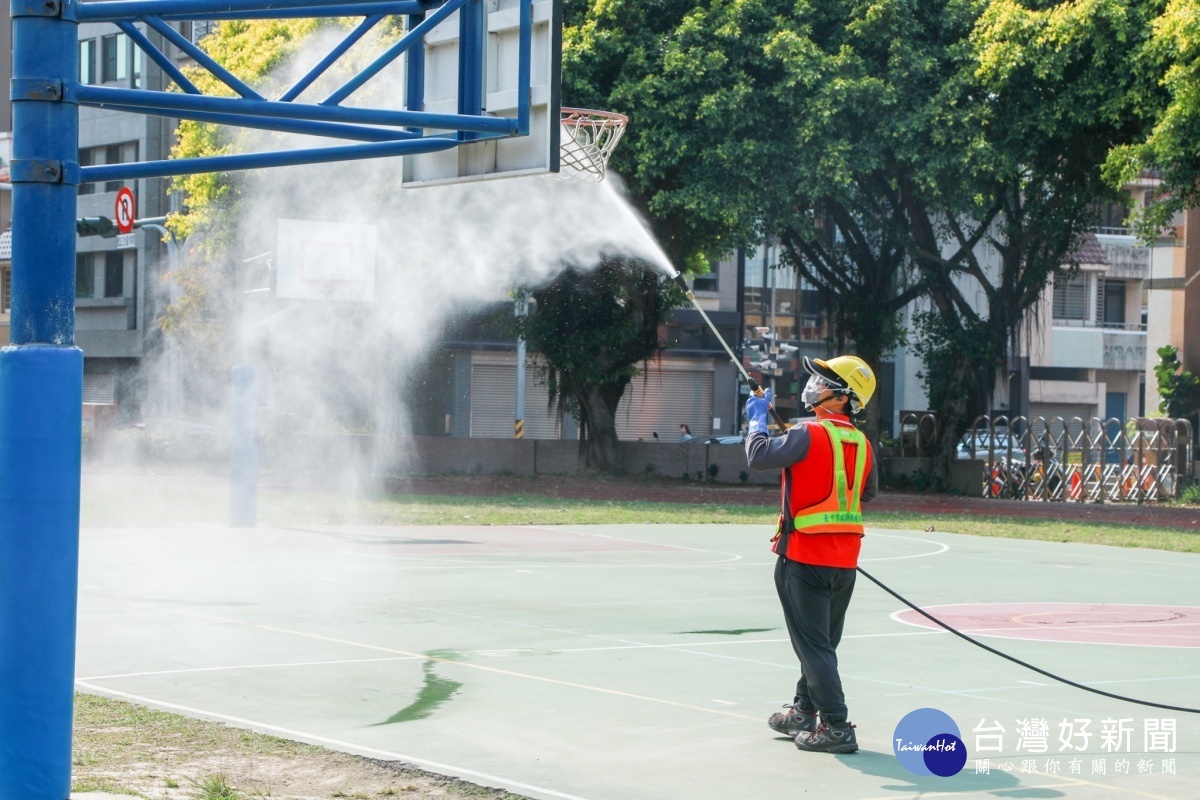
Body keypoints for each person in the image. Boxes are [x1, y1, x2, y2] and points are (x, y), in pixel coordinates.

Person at [744, 355, 878, 754]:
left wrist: (756, 419)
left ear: (842, 397)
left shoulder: (807, 433)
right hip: (844, 562)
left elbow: (758, 456)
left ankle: (836, 725)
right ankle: (804, 709)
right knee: (821, 642)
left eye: (825, 380)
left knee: (813, 645)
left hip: (803, 558)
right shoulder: (861, 442)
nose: (814, 384)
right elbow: (865, 492)